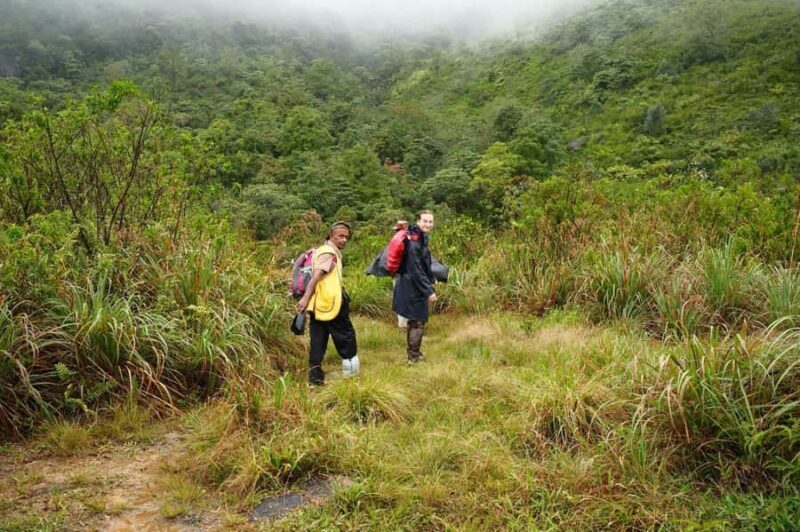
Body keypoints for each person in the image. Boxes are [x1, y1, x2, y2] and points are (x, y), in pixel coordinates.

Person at [296, 222, 359, 385]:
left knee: (318, 341)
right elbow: (317, 276)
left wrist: (307, 300)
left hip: (319, 305)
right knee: (346, 338)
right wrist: (305, 298)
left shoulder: (324, 250)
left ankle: (314, 380)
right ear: (331, 235)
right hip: (332, 304)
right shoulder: (329, 252)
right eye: (340, 236)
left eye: (346, 237)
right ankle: (351, 377)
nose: (344, 240)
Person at [392, 210, 436, 363]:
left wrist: (431, 278)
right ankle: (414, 357)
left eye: (430, 221)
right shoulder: (414, 242)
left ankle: (414, 353)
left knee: (415, 321)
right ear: (418, 222)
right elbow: (415, 269)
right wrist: (429, 291)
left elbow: (424, 264)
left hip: (411, 285)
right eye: (425, 221)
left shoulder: (419, 237)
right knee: (418, 322)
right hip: (412, 287)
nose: (428, 224)